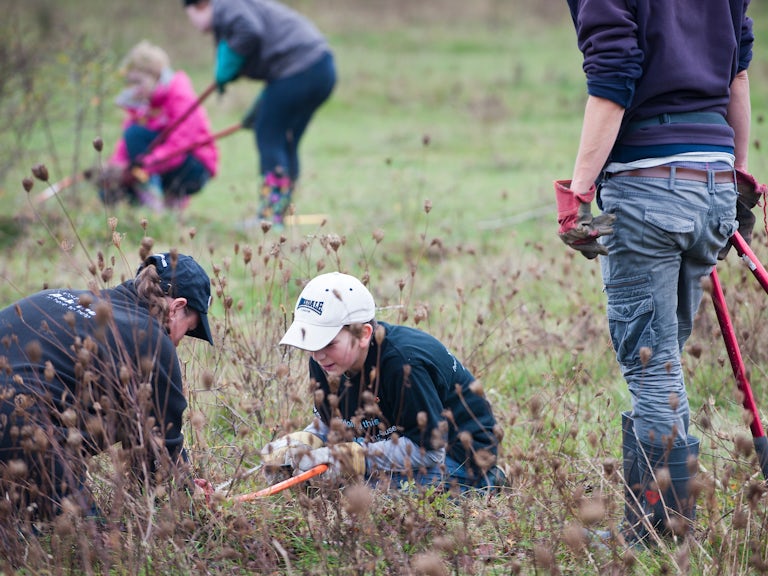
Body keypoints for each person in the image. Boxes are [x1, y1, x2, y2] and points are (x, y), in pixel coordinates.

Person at [557, 0, 759, 546]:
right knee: (664, 357)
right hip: (715, 179)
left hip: (648, 184)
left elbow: (615, 75)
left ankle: (657, 532)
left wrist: (576, 192)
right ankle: (667, 517)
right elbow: (737, 75)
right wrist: (738, 175)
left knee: (653, 368)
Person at [0, 251, 214, 521]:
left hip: (14, 424)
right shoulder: (152, 341)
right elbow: (160, 448)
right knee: (94, 543)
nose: (180, 341)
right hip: (19, 427)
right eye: (188, 329)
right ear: (176, 307)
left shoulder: (56, 298)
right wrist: (186, 493)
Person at [259, 272, 505, 494]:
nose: (317, 354)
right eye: (310, 343)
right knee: (321, 479)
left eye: (327, 343)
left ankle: (485, 484)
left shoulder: (404, 364)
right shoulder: (326, 361)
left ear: (363, 334)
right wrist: (302, 441)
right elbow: (332, 424)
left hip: (456, 453)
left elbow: (429, 450)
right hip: (393, 438)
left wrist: (353, 458)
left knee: (365, 491)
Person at [183, 0, 336, 228]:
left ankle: (270, 217)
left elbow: (250, 30)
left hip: (299, 69)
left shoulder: (226, 6)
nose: (193, 24)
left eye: (190, 14)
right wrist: (263, 105)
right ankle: (279, 213)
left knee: (269, 136)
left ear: (200, 5)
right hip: (321, 67)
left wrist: (229, 61)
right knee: (286, 141)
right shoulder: (238, 6)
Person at [101, 40, 219, 211]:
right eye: (130, 83)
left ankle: (154, 206)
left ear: (155, 76)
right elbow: (126, 146)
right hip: (159, 163)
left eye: (138, 82)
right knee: (109, 190)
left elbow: (180, 144)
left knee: (135, 135)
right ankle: (164, 209)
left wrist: (144, 165)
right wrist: (116, 168)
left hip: (195, 165)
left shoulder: (180, 94)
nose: (134, 89)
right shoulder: (142, 104)